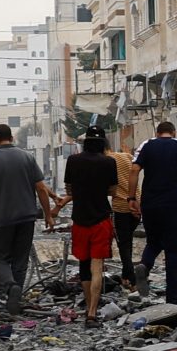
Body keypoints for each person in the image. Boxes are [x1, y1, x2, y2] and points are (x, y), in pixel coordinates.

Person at [0, 125, 56, 311]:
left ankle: (10, 287)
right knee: (21, 261)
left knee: (1, 259)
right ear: (12, 137)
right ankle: (16, 300)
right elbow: (41, 188)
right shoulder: (27, 158)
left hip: (1, 219)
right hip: (27, 218)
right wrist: (48, 214)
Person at [132, 119, 177, 306]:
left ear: (157, 133)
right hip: (172, 205)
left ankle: (145, 266)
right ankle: (171, 300)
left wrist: (132, 198)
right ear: (173, 133)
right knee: (174, 251)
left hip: (149, 205)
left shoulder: (146, 145)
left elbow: (134, 169)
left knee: (153, 242)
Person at [61, 128, 121, 325]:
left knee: (84, 266)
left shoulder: (73, 161)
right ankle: (92, 313)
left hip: (79, 220)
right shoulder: (109, 162)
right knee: (97, 267)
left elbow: (69, 189)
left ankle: (88, 307)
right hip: (101, 220)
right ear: (103, 143)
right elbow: (112, 190)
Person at [110, 141, 142, 291]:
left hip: (121, 207)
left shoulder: (106, 162)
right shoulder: (126, 156)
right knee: (127, 242)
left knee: (123, 245)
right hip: (136, 204)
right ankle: (126, 277)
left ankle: (134, 281)